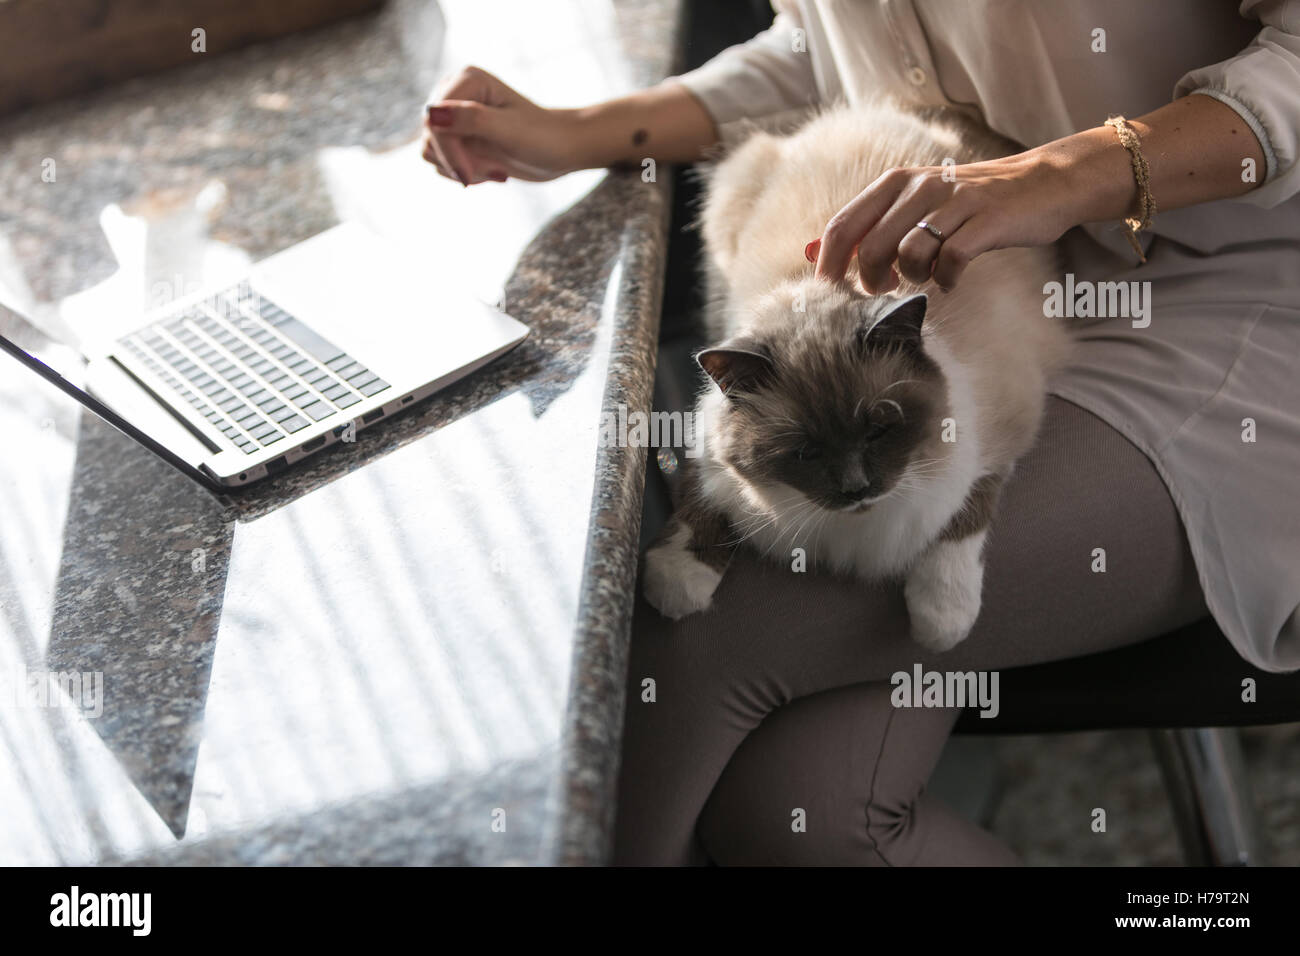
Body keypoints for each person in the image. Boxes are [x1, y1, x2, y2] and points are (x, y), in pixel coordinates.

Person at [421, 0, 1300, 865]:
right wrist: (580, 132)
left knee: (699, 643)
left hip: (1231, 295)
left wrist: (1057, 176)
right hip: (993, 292)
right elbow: (822, 43)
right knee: (798, 815)